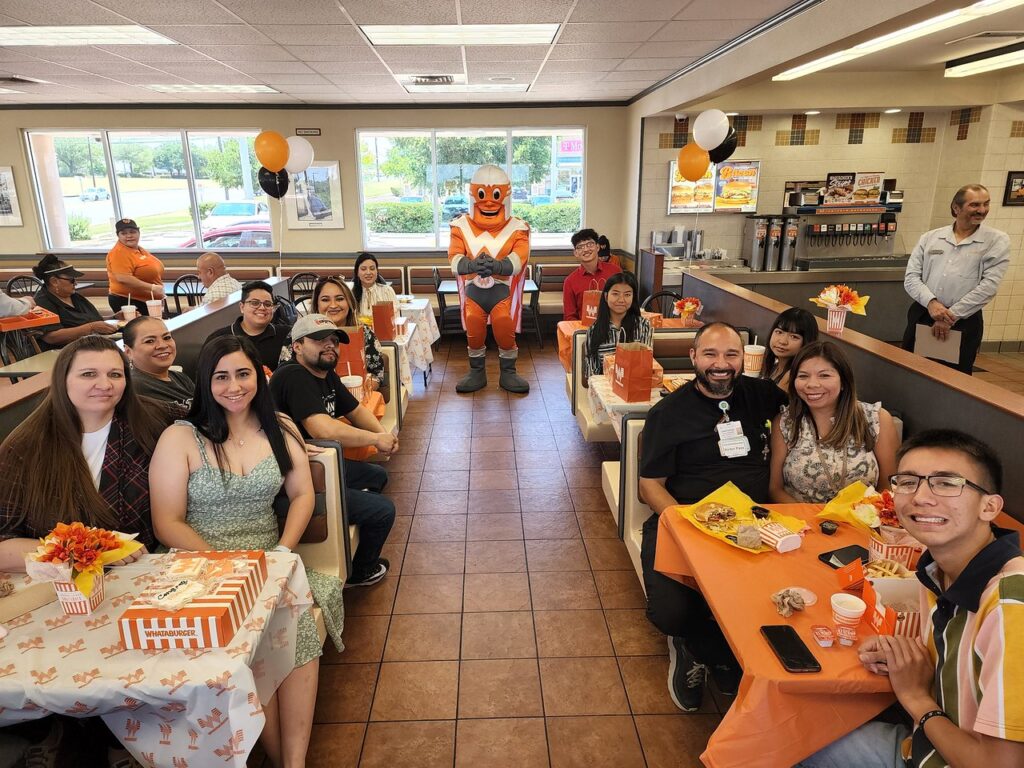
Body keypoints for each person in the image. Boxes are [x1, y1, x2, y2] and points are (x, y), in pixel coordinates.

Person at [150, 335, 342, 768]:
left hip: (266, 560)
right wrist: (228, 568)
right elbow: (168, 522)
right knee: (251, 648)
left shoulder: (279, 427)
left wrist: (281, 552)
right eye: (221, 377)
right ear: (205, 382)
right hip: (197, 565)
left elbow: (302, 496)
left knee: (295, 633)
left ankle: (293, 762)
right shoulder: (180, 438)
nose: (234, 386)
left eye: (243, 374)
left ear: (259, 375)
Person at [798, 429, 1024, 768]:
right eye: (908, 482)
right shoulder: (935, 570)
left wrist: (917, 698)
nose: (921, 497)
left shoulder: (1010, 607)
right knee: (787, 738)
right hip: (922, 744)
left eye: (947, 483)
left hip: (939, 750)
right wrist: (899, 655)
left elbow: (999, 764)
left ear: (989, 506)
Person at [638, 322, 787, 712]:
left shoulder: (761, 396)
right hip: (684, 521)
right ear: (693, 358)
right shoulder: (668, 414)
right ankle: (692, 646)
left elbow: (816, 395)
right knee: (671, 613)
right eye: (710, 354)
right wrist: (692, 526)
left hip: (755, 524)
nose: (721, 364)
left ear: (744, 359)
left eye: (731, 355)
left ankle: (721, 652)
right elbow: (650, 486)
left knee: (774, 596)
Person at [0, 335, 171, 563]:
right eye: (88, 374)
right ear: (62, 380)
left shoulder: (151, 422)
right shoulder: (25, 446)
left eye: (115, 374)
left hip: (145, 573)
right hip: (62, 585)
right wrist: (91, 550)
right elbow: (4, 544)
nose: (105, 384)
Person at [270, 314, 396, 587]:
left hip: (320, 467)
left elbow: (356, 410)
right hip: (292, 480)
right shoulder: (293, 375)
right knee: (383, 511)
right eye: (319, 340)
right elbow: (323, 430)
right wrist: (375, 438)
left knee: (377, 476)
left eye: (333, 341)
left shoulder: (325, 375)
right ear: (297, 347)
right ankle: (360, 571)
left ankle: (348, 521)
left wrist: (382, 436)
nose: (329, 346)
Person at [769, 341, 898, 504]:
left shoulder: (875, 418)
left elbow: (889, 485)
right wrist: (816, 521)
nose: (812, 384)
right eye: (803, 376)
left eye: (824, 375)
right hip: (802, 523)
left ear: (843, 381)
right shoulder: (786, 422)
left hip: (862, 521)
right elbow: (775, 489)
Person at [901, 184, 1009, 375]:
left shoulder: (996, 241)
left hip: (963, 320)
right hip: (924, 313)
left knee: (953, 378)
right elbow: (911, 277)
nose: (982, 210)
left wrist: (950, 316)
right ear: (956, 208)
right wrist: (931, 303)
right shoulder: (931, 238)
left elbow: (989, 287)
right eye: (974, 205)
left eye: (986, 204)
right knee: (911, 370)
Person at [448, 164, 532, 393]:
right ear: (474, 194)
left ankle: (509, 373)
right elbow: (454, 258)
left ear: (504, 195)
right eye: (482, 195)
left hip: (501, 291)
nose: (488, 202)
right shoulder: (460, 226)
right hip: (473, 290)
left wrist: (498, 265)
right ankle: (476, 372)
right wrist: (471, 265)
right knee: (474, 328)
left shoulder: (518, 227)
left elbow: (520, 257)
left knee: (504, 325)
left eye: (495, 195)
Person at [313, 276, 390, 403]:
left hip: (357, 406)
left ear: (349, 302)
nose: (333, 305)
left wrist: (363, 391)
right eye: (325, 300)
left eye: (340, 299)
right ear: (317, 304)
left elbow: (377, 374)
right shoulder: (302, 336)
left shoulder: (365, 334)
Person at [30, 255, 117, 349]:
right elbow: (51, 337)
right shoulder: (42, 303)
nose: (75, 283)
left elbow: (88, 318)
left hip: (89, 345)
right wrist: (91, 328)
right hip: (63, 352)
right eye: (71, 280)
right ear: (54, 281)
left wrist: (113, 317)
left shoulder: (74, 296)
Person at [208, 280, 291, 372]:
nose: (262, 308)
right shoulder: (219, 339)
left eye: (268, 304)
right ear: (242, 307)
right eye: (255, 303)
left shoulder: (287, 335)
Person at [584, 271, 652, 377]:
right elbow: (591, 373)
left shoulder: (643, 325)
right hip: (604, 387)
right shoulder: (594, 330)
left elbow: (645, 364)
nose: (621, 300)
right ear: (606, 296)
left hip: (634, 384)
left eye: (627, 295)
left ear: (633, 297)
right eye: (615, 294)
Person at [123, 315, 194, 411]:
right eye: (150, 341)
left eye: (167, 337)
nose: (162, 345)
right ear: (128, 352)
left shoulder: (180, 378)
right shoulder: (135, 388)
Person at [105, 218, 165, 315]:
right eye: (124, 233)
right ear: (118, 236)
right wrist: (152, 288)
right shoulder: (119, 252)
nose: (129, 236)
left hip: (149, 301)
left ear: (139, 233)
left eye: (132, 232)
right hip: (129, 302)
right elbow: (123, 278)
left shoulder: (138, 250)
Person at [563, 227, 622, 321]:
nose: (586, 249)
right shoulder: (570, 281)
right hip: (584, 331)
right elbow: (570, 316)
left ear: (597, 247)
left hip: (614, 328)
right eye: (580, 247)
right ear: (576, 253)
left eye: (590, 244)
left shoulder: (615, 271)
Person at [760, 306, 819, 390]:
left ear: (807, 342)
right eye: (779, 332)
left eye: (794, 337)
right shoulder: (775, 365)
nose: (783, 341)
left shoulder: (792, 375)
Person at [352, 251, 398, 322]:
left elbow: (396, 318)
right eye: (363, 269)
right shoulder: (351, 293)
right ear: (357, 272)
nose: (368, 272)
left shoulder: (387, 291)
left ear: (377, 271)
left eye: (372, 268)